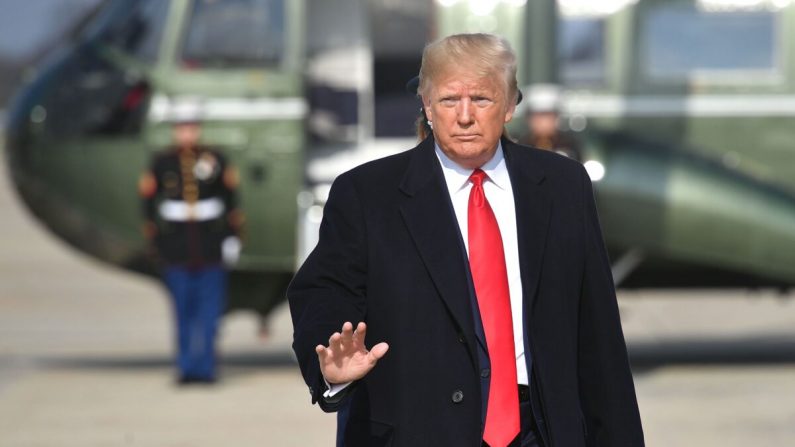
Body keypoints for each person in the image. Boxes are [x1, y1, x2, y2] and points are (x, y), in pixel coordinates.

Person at [288, 33, 643, 446]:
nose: (465, 116)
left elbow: (598, 334)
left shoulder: (562, 187)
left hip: (541, 430)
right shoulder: (368, 195)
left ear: (510, 105)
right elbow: (323, 292)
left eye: (482, 99)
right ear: (426, 104)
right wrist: (331, 365)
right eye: (449, 100)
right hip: (416, 431)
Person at [139, 114, 243, 384]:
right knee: (183, 314)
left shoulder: (215, 159)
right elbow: (149, 205)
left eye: (192, 128)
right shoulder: (163, 162)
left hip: (209, 248)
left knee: (209, 315)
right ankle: (186, 368)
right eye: (182, 128)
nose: (187, 134)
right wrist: (157, 242)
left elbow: (231, 200)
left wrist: (232, 237)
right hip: (177, 250)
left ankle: (207, 368)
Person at [519, 85, 581, 161]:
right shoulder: (521, 144)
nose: (542, 122)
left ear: (557, 117)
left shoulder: (569, 145)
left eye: (547, 115)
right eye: (537, 115)